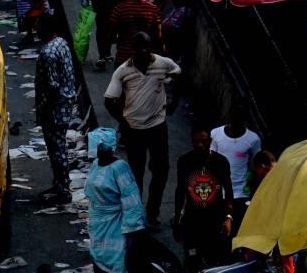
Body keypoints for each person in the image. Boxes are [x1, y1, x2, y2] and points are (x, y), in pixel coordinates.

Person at [103, 31, 179, 224]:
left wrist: (173, 102)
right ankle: (136, 213)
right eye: (140, 48)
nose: (144, 52)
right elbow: (109, 99)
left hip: (157, 126)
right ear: (134, 50)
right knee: (136, 172)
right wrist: (123, 120)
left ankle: (152, 213)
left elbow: (178, 74)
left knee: (160, 171)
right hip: (134, 129)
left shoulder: (162, 63)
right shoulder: (123, 71)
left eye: (147, 47)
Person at [32, 10, 80, 204]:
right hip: (65, 103)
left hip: (54, 109)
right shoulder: (61, 43)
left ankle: (63, 191)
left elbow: (52, 86)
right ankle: (60, 184)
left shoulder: (48, 53)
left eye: (38, 24)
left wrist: (42, 108)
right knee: (58, 148)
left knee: (56, 150)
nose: (35, 27)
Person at [86, 127, 148, 273]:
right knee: (99, 256)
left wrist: (132, 230)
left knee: (115, 258)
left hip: (115, 224)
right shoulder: (96, 164)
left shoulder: (119, 168)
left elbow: (132, 201)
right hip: (98, 221)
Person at [173, 128, 234, 271]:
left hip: (214, 222)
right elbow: (180, 191)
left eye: (203, 141)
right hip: (192, 223)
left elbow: (229, 192)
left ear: (210, 141)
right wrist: (177, 218)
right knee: (191, 259)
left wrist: (228, 217)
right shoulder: (184, 161)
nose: (199, 145)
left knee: (213, 261)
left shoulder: (221, 162)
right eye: (195, 142)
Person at [209, 110, 263, 226]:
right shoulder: (215, 134)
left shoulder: (253, 139)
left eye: (241, 120)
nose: (237, 122)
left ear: (245, 121)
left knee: (234, 227)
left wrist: (249, 186)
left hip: (240, 194)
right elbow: (210, 160)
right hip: (217, 191)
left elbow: (255, 165)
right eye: (235, 119)